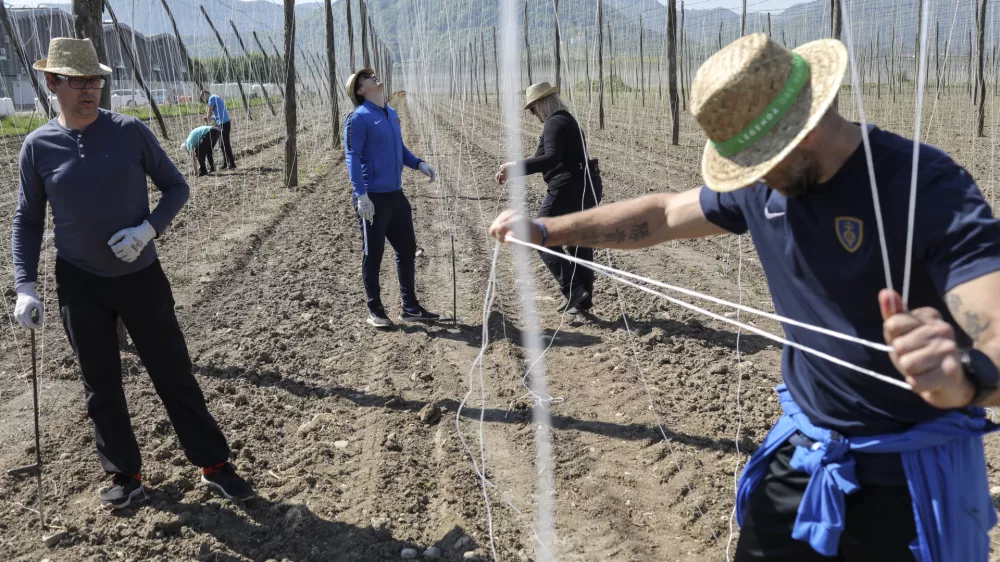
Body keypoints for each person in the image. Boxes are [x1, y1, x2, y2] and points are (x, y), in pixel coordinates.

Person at [489, 33, 1000, 561]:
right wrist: (547, 231)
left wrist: (966, 375)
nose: (750, 179)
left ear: (802, 131)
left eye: (757, 162)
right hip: (807, 451)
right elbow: (662, 215)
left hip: (910, 479)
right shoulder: (764, 181)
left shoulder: (925, 186)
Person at [12, 37, 254, 509]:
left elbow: (176, 187)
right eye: (77, 81)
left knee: (173, 370)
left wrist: (148, 230)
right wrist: (25, 286)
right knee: (99, 383)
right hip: (78, 281)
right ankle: (125, 474)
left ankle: (214, 464)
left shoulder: (129, 131)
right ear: (52, 83)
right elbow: (27, 219)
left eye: (95, 80)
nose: (89, 89)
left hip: (141, 274)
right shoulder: (38, 146)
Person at [495, 82, 603, 315]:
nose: (533, 114)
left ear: (542, 104)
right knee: (579, 242)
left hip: (569, 187)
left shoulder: (554, 123)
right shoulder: (567, 120)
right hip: (588, 184)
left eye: (533, 109)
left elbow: (551, 158)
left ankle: (572, 289)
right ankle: (582, 301)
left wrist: (513, 167)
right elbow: (541, 158)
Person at [344, 68, 440, 329]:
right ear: (361, 90)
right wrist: (361, 195)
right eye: (367, 77)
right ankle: (375, 310)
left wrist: (418, 163)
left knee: (407, 249)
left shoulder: (391, 113)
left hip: (395, 195)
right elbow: (352, 156)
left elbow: (399, 148)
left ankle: (410, 307)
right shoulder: (358, 118)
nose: (373, 76)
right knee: (373, 254)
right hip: (372, 197)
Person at [201, 89, 235, 170]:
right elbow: (217, 115)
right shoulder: (215, 97)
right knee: (222, 144)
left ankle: (232, 163)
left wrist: (207, 120)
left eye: (203, 97)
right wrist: (209, 118)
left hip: (224, 123)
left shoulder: (212, 98)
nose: (204, 99)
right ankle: (226, 163)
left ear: (205, 94)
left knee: (225, 144)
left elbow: (209, 112)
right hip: (221, 123)